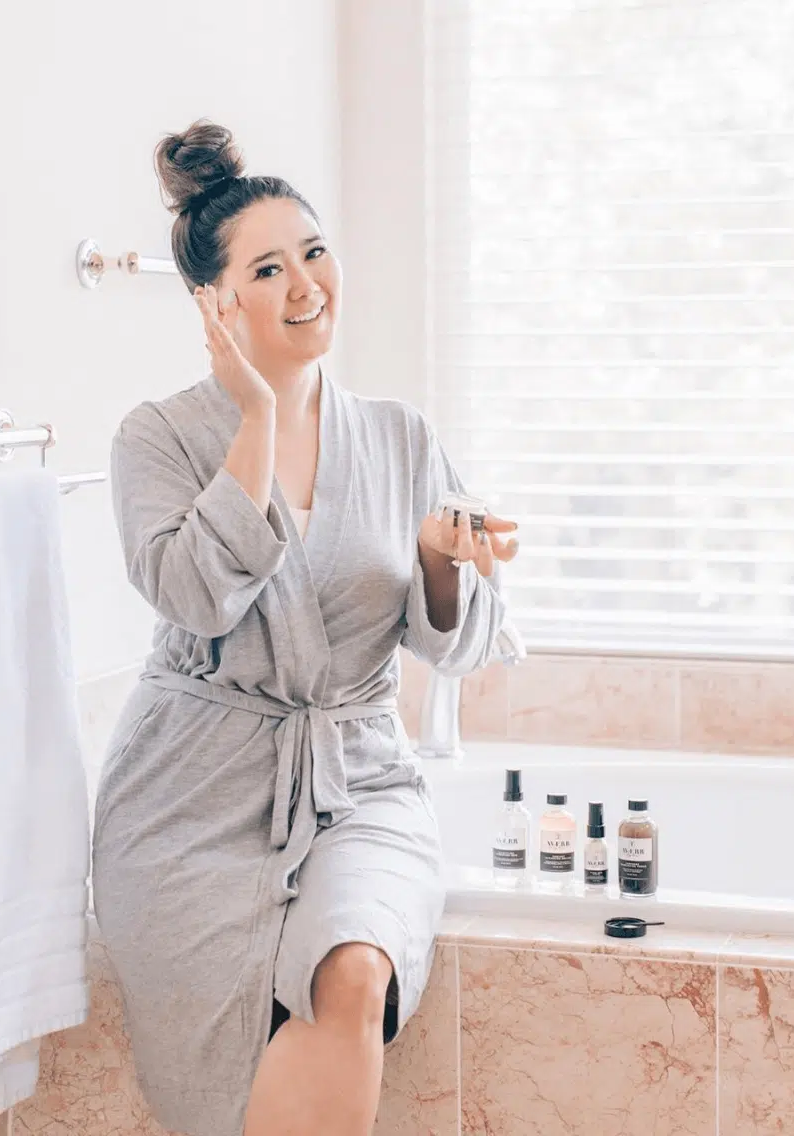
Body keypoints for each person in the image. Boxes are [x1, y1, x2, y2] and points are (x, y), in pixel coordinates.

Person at [91, 119, 518, 1136]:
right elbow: (196, 597)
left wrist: (437, 560)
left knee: (355, 970)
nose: (305, 285)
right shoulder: (157, 438)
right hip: (189, 798)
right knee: (223, 1048)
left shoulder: (400, 436)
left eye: (314, 253)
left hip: (358, 779)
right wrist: (256, 418)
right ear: (214, 301)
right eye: (268, 269)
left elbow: (456, 647)